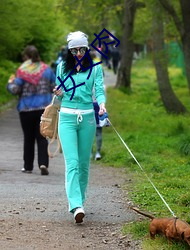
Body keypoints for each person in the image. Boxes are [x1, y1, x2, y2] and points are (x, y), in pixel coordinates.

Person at [53, 31, 106, 223]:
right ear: (69, 51)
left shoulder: (95, 69)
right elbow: (59, 96)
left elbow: (99, 90)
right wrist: (58, 92)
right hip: (66, 117)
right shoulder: (61, 68)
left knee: (84, 164)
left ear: (87, 49)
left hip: (88, 118)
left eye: (81, 49)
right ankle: (75, 204)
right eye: (74, 50)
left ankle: (80, 201)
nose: (78, 53)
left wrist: (101, 104)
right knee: (72, 163)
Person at [7, 45, 56, 175]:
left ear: (26, 57)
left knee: (28, 138)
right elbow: (55, 86)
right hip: (43, 109)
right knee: (41, 137)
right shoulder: (47, 70)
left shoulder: (22, 71)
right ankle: (43, 163)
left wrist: (10, 83)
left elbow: (15, 90)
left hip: (26, 109)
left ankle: (28, 166)